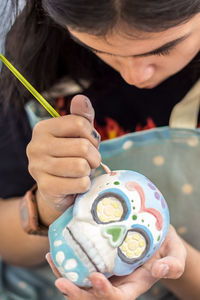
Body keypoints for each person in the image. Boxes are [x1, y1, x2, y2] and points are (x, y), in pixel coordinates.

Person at [0, 1, 200, 299]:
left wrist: (168, 262)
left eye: (163, 48)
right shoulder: (40, 56)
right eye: (100, 48)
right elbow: (6, 243)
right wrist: (48, 206)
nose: (135, 76)